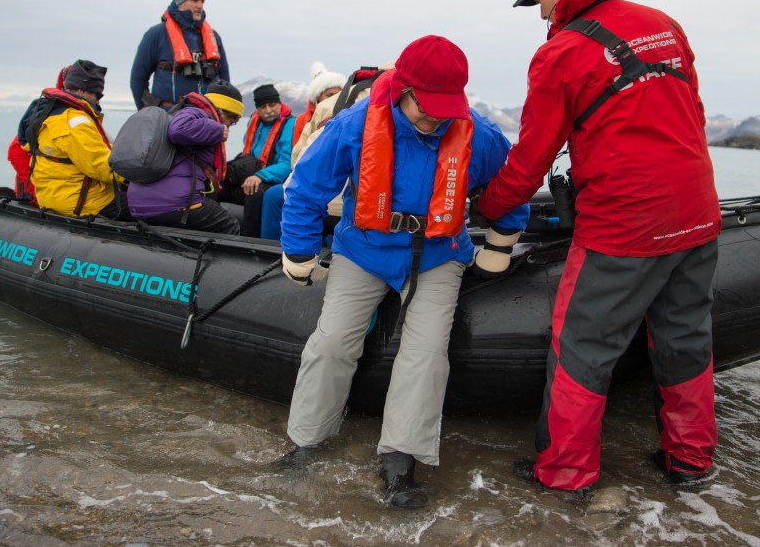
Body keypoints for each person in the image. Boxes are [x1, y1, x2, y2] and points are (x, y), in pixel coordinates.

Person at [470, 0, 721, 493]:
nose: (538, 10)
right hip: (698, 210)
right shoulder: (664, 23)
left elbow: (531, 160)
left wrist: (484, 207)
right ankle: (690, 461)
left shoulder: (561, 52)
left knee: (584, 344)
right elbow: (693, 114)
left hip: (624, 224)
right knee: (686, 336)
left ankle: (565, 474)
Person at [273, 36, 529, 508]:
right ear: (402, 89)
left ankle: (400, 460)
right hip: (364, 249)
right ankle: (306, 442)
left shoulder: (480, 134)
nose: (435, 118)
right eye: (425, 107)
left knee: (426, 354)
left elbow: (511, 186)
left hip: (439, 253)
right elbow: (305, 190)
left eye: (444, 108)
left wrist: (501, 242)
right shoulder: (353, 123)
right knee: (331, 342)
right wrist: (301, 253)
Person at [126, 80, 244, 234]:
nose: (229, 127)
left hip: (141, 203)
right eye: (231, 121)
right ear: (222, 111)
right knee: (230, 226)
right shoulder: (199, 113)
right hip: (172, 203)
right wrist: (217, 130)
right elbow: (177, 130)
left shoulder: (179, 112)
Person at [17, 59, 127, 218]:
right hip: (83, 203)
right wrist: (136, 172)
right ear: (82, 92)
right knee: (158, 206)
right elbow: (101, 167)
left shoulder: (48, 116)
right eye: (97, 95)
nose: (97, 101)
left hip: (52, 198)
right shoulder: (76, 122)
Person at [259, 62, 347, 240]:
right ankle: (270, 246)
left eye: (339, 94)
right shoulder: (303, 122)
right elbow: (297, 158)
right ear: (318, 98)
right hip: (310, 176)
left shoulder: (349, 119)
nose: (334, 99)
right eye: (330, 95)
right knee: (273, 196)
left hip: (340, 181)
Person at [130, 0, 230, 110]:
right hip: (168, 116)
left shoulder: (213, 37)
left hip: (205, 118)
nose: (200, 5)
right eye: (194, 1)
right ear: (180, 3)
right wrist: (146, 112)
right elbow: (138, 79)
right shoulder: (156, 34)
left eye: (202, 1)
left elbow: (225, 81)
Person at [218, 84, 295, 237]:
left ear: (279, 104)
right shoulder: (254, 122)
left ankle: (251, 240)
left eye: (272, 105)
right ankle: (217, 230)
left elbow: (288, 164)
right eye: (262, 107)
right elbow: (247, 153)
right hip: (254, 173)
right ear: (257, 109)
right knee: (219, 183)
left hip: (274, 178)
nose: (268, 110)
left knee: (255, 192)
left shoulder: (290, 125)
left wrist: (260, 176)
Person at [8, 65, 70, 202]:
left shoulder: (72, 116)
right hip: (35, 196)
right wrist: (35, 195)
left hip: (56, 193)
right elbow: (16, 150)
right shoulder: (50, 114)